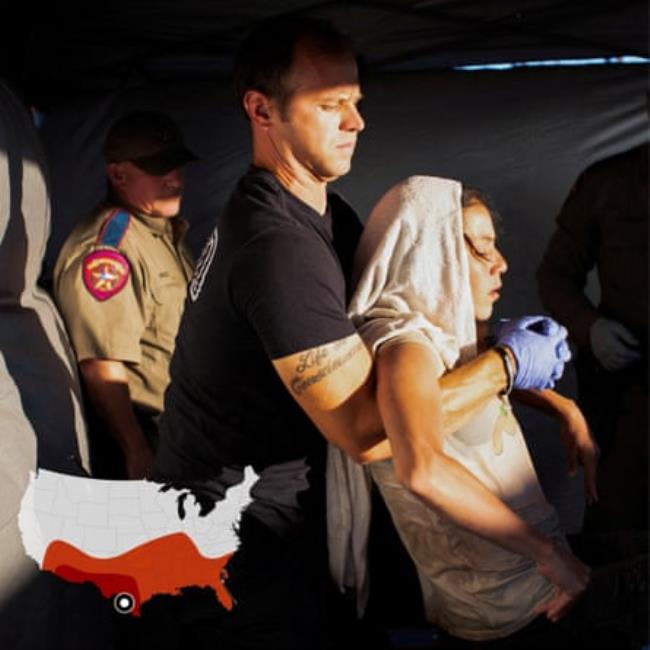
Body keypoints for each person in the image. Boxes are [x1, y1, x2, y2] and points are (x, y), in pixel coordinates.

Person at [151, 15, 577, 649]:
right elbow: (369, 434)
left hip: (286, 523)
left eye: (356, 102)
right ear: (261, 109)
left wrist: (544, 394)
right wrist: (506, 367)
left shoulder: (326, 215)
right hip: (234, 544)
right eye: (331, 105)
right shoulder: (275, 247)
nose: (356, 123)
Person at [332, 176, 646, 648]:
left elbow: (451, 389)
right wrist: (545, 554)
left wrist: (560, 404)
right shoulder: (404, 346)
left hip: (527, 581)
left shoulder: (437, 337)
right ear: (427, 257)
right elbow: (421, 467)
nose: (500, 263)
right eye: (479, 250)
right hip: (522, 610)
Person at [54, 110, 196, 480]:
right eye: (158, 169)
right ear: (118, 174)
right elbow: (102, 363)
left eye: (177, 165)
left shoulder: (162, 233)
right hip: (148, 437)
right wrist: (135, 450)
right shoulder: (109, 251)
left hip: (187, 432)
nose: (174, 178)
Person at [537, 144, 648, 531]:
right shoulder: (607, 182)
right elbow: (554, 276)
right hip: (628, 386)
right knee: (620, 517)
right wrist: (591, 327)